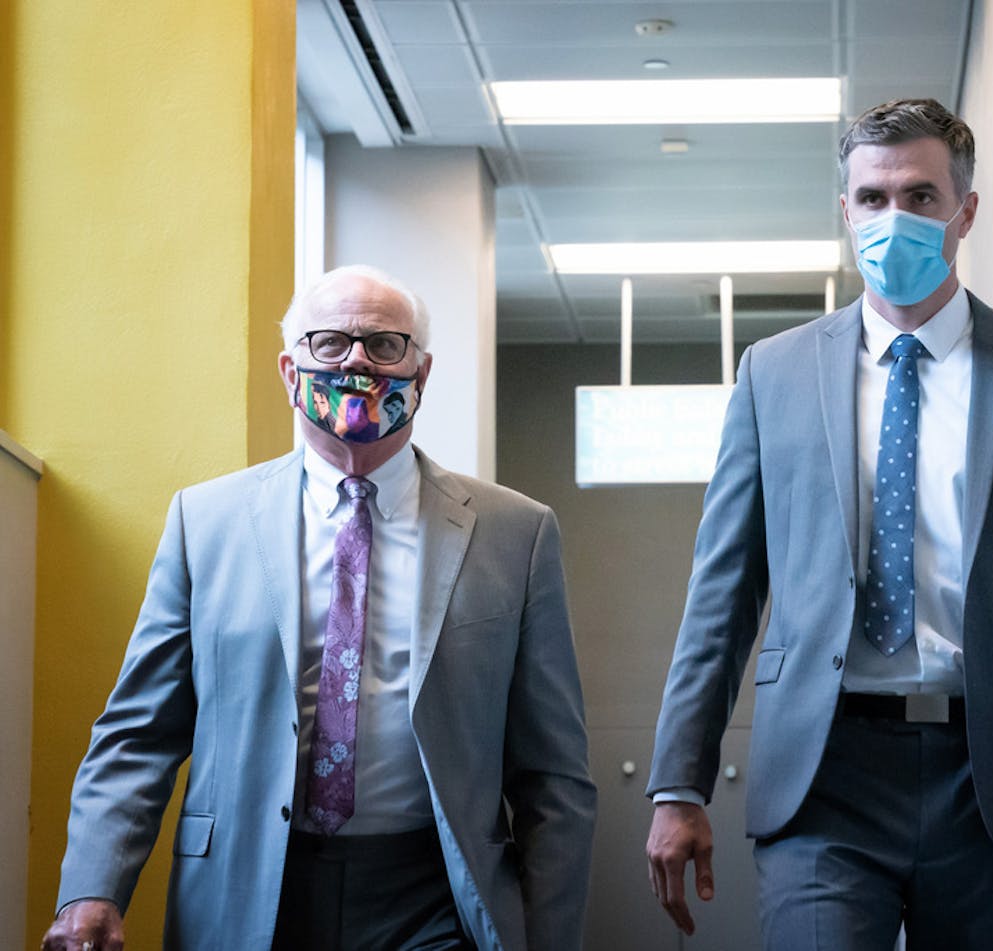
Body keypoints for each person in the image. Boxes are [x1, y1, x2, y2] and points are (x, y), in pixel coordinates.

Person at [644, 99, 993, 948]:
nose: (896, 219)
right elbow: (724, 591)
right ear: (846, 211)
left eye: (922, 197)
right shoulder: (772, 376)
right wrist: (679, 781)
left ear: (966, 210)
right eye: (874, 199)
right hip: (826, 770)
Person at [44, 265, 596, 951]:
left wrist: (551, 935)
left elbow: (554, 774)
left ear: (421, 375)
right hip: (251, 891)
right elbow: (137, 732)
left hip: (433, 896)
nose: (357, 359)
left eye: (385, 344)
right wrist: (91, 889)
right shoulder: (206, 522)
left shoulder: (517, 532)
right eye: (329, 342)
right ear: (288, 369)